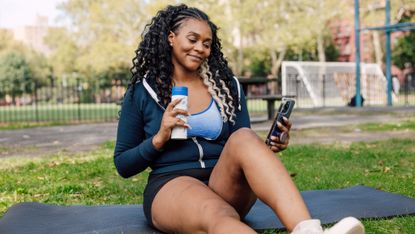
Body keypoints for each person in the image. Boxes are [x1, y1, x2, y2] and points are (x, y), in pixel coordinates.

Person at [114, 4, 365, 234]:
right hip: (172, 184)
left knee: (244, 137)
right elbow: (123, 164)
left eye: (207, 43)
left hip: (224, 183)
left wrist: (268, 148)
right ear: (171, 37)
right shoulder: (142, 91)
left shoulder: (226, 86)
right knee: (216, 213)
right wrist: (160, 137)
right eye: (193, 39)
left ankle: (308, 231)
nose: (200, 48)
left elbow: (241, 149)